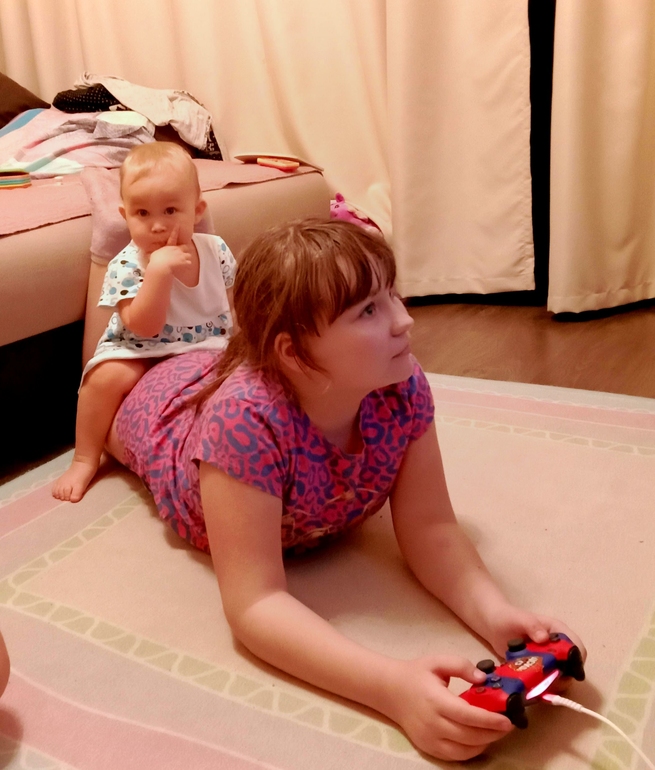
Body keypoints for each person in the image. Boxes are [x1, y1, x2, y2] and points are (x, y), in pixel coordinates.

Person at [105, 219, 586, 761]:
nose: (404, 320)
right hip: (166, 414)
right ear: (293, 352)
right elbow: (256, 603)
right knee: (125, 407)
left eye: (392, 296)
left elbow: (431, 527)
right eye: (369, 311)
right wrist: (391, 688)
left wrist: (498, 616)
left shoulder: (400, 385)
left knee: (214, 358)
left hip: (239, 370)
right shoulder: (242, 422)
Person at [53, 142, 236, 503]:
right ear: (125, 215)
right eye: (142, 213)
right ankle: (85, 457)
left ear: (197, 210)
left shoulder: (216, 250)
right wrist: (159, 273)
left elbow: (231, 306)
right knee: (104, 379)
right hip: (138, 347)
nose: (157, 225)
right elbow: (143, 326)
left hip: (206, 344)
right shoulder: (126, 265)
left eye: (170, 210)